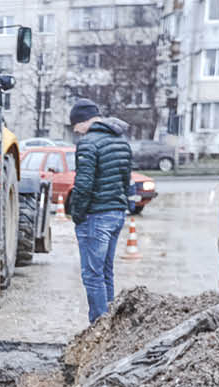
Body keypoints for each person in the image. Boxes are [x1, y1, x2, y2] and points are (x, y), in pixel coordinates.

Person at [65, 98, 132, 323]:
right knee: (105, 271)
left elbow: (83, 184)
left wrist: (77, 214)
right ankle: (110, 324)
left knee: (92, 275)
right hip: (117, 213)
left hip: (96, 216)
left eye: (76, 125)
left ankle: (98, 327)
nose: (76, 131)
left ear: (84, 121)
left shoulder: (88, 143)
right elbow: (126, 179)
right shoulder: (121, 141)